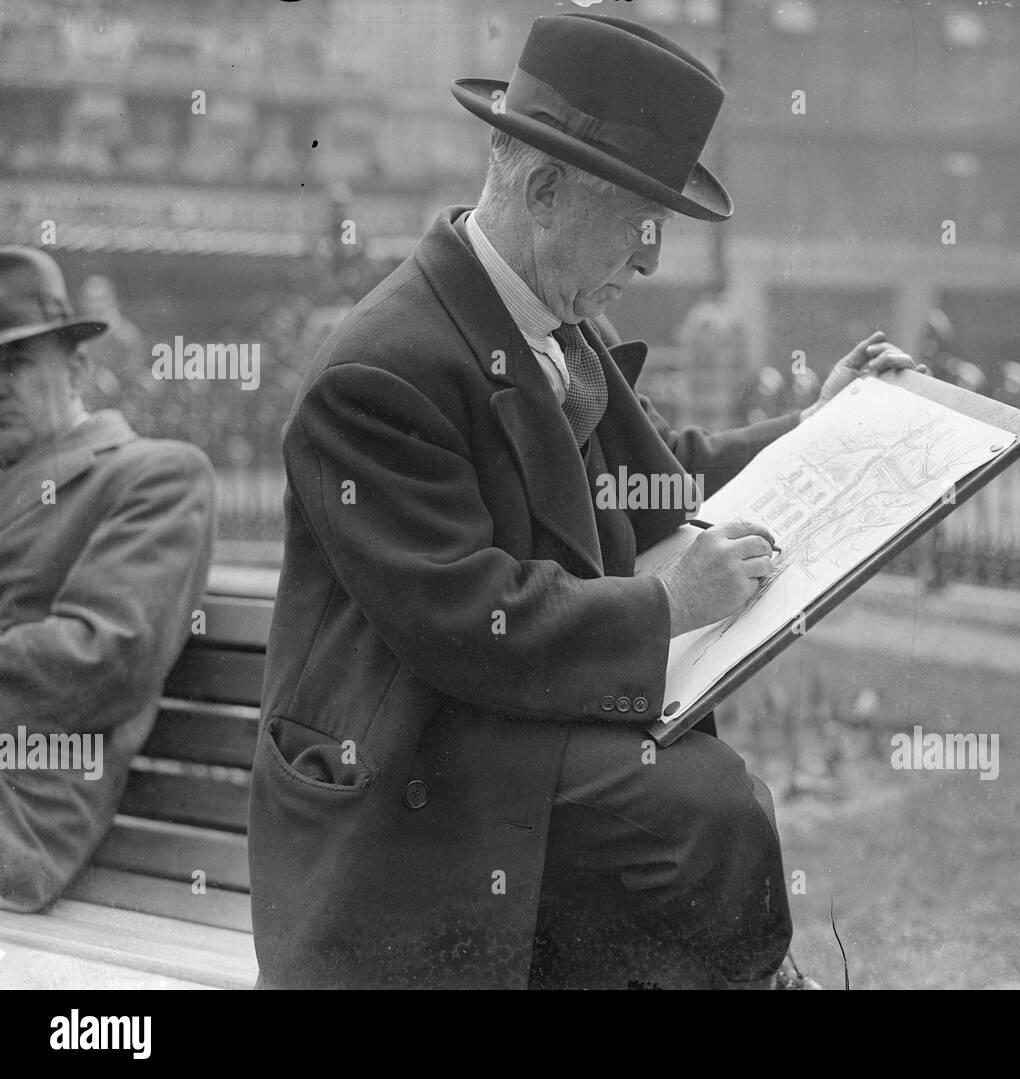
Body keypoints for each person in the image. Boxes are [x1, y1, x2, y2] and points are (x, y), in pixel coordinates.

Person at [248, 11, 921, 990]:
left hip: (500, 738)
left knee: (704, 811)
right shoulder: (378, 370)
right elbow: (464, 615)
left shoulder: (546, 317)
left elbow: (657, 476)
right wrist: (670, 603)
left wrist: (812, 429)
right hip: (406, 779)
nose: (650, 259)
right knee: (705, 808)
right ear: (545, 188)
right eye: (640, 222)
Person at [0, 246, 214, 912]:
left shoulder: (156, 475)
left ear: (77, 367)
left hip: (20, 812)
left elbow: (106, 656)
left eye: (13, 365)